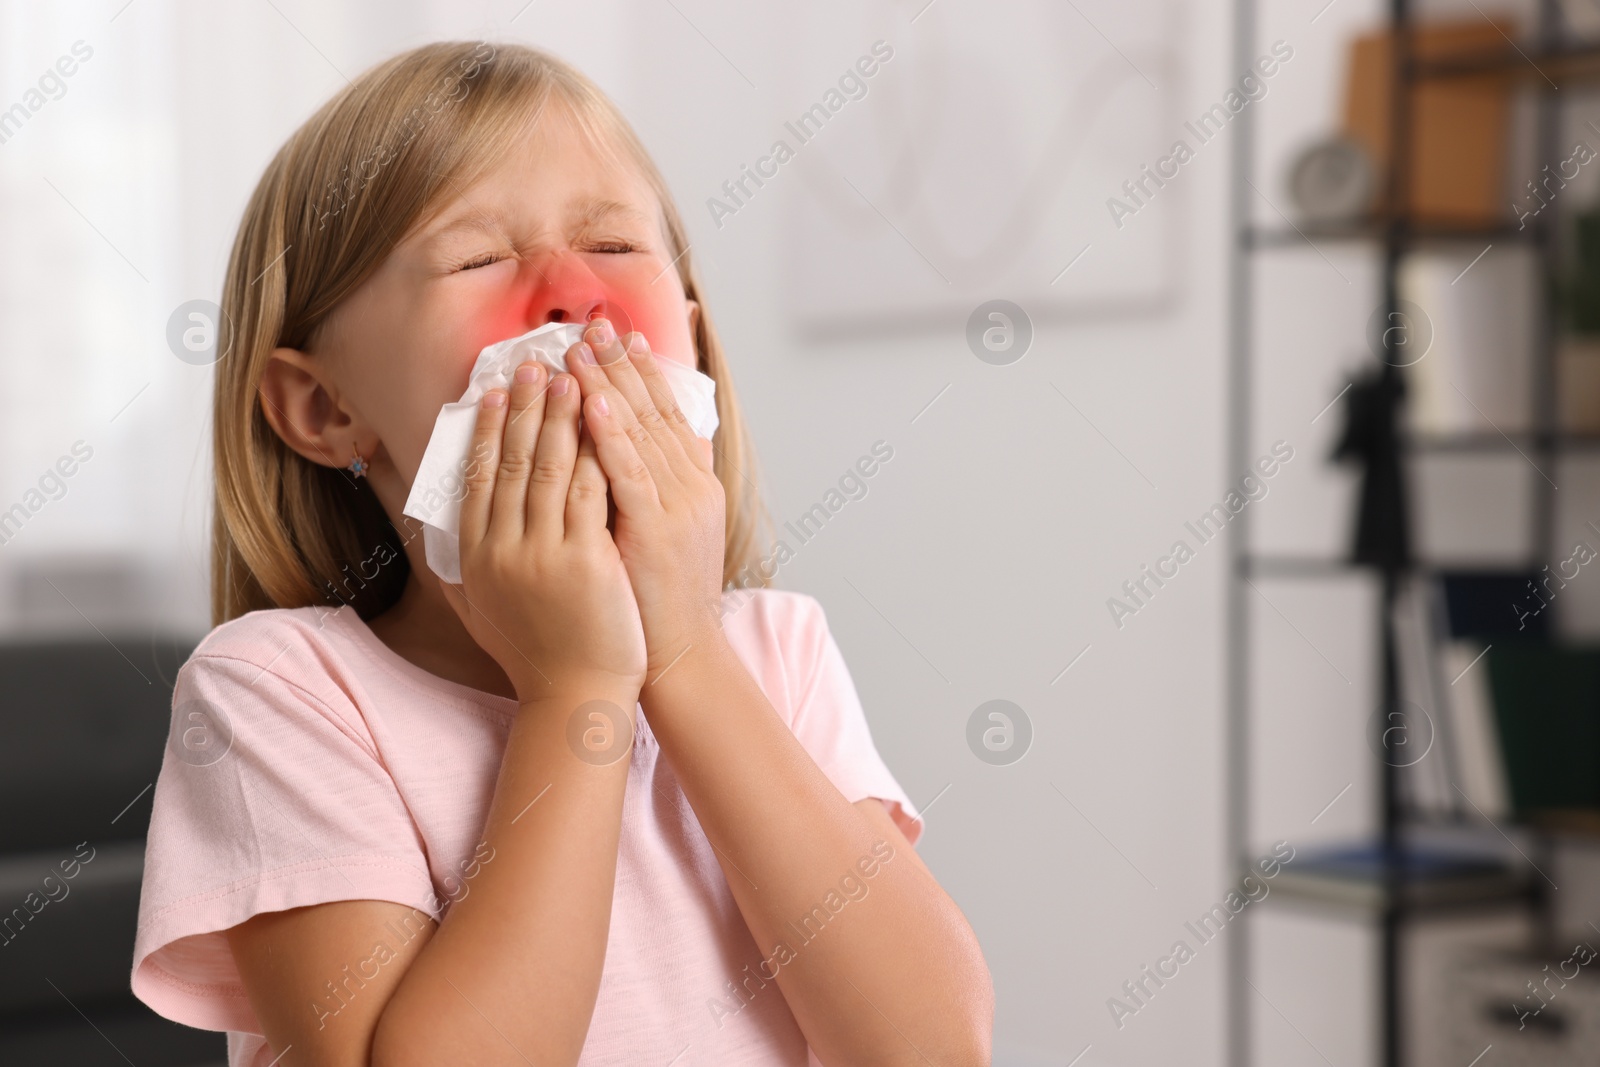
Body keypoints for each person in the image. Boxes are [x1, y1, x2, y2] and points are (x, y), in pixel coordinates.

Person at [130, 40, 992, 1066]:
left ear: (694, 346)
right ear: (325, 406)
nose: (573, 297)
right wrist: (575, 691)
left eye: (617, 247)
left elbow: (930, 1045)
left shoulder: (774, 649)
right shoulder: (283, 690)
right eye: (477, 257)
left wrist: (681, 655)